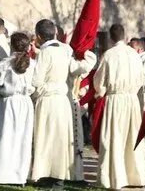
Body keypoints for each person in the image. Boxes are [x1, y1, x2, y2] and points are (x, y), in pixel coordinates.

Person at [31, 18, 97, 189]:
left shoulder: (45, 52)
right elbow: (77, 69)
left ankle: (49, 175)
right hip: (63, 100)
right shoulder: (66, 49)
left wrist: (36, 93)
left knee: (45, 138)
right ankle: (54, 175)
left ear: (38, 37)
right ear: (56, 33)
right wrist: (88, 55)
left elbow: (36, 80)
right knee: (59, 139)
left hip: (48, 99)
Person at [0, 32, 36, 185]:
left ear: (11, 45)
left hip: (8, 103)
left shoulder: (4, 63)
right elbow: (34, 85)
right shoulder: (33, 64)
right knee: (21, 140)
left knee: (2, 138)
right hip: (25, 103)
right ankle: (18, 174)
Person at [94, 24, 145, 190]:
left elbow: (99, 81)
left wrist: (101, 92)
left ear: (111, 38)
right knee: (131, 139)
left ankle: (114, 178)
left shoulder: (109, 55)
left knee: (114, 139)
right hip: (131, 100)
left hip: (115, 101)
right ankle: (135, 176)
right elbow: (141, 78)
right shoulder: (135, 55)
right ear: (125, 36)